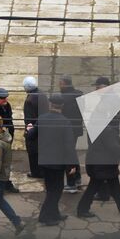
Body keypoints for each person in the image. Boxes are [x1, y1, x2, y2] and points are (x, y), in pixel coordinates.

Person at [76, 76, 120, 219]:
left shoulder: (104, 118)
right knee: (94, 187)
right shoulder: (104, 126)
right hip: (102, 161)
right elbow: (113, 147)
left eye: (98, 87)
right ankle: (82, 209)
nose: (96, 90)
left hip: (102, 159)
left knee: (114, 183)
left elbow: (110, 144)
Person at [37, 93, 78, 226]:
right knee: (56, 190)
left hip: (44, 161)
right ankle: (44, 216)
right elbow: (69, 146)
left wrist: (29, 129)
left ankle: (54, 214)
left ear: (50, 104)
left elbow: (31, 136)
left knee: (50, 189)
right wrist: (72, 164)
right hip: (57, 163)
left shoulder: (41, 118)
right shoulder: (65, 122)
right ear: (62, 106)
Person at [22, 77, 43, 179]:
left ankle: (35, 172)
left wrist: (28, 131)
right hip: (43, 126)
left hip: (34, 129)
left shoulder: (29, 100)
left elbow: (29, 119)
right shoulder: (42, 94)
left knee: (33, 151)